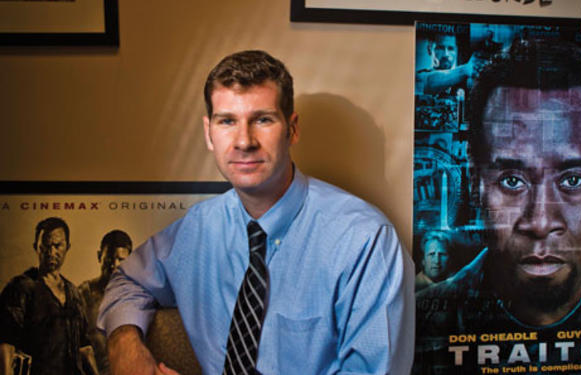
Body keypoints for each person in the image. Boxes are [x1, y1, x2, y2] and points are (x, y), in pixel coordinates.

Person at [98, 50, 414, 375]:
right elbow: (127, 280)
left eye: (262, 119)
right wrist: (126, 346)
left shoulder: (365, 242)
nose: (244, 141)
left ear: (292, 129)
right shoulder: (196, 231)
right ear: (209, 133)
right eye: (227, 121)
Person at [414, 39, 581, 374]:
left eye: (572, 180)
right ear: (475, 181)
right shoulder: (427, 317)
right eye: (513, 181)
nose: (540, 221)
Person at [0, 217, 99, 375]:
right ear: (36, 247)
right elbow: (6, 342)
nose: (52, 252)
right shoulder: (21, 288)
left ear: (67, 247)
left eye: (57, 246)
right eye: (45, 246)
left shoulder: (74, 293)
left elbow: (84, 347)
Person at [79, 230, 132, 375]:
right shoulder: (82, 295)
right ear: (99, 256)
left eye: (121, 259)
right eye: (109, 258)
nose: (114, 265)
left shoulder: (137, 297)